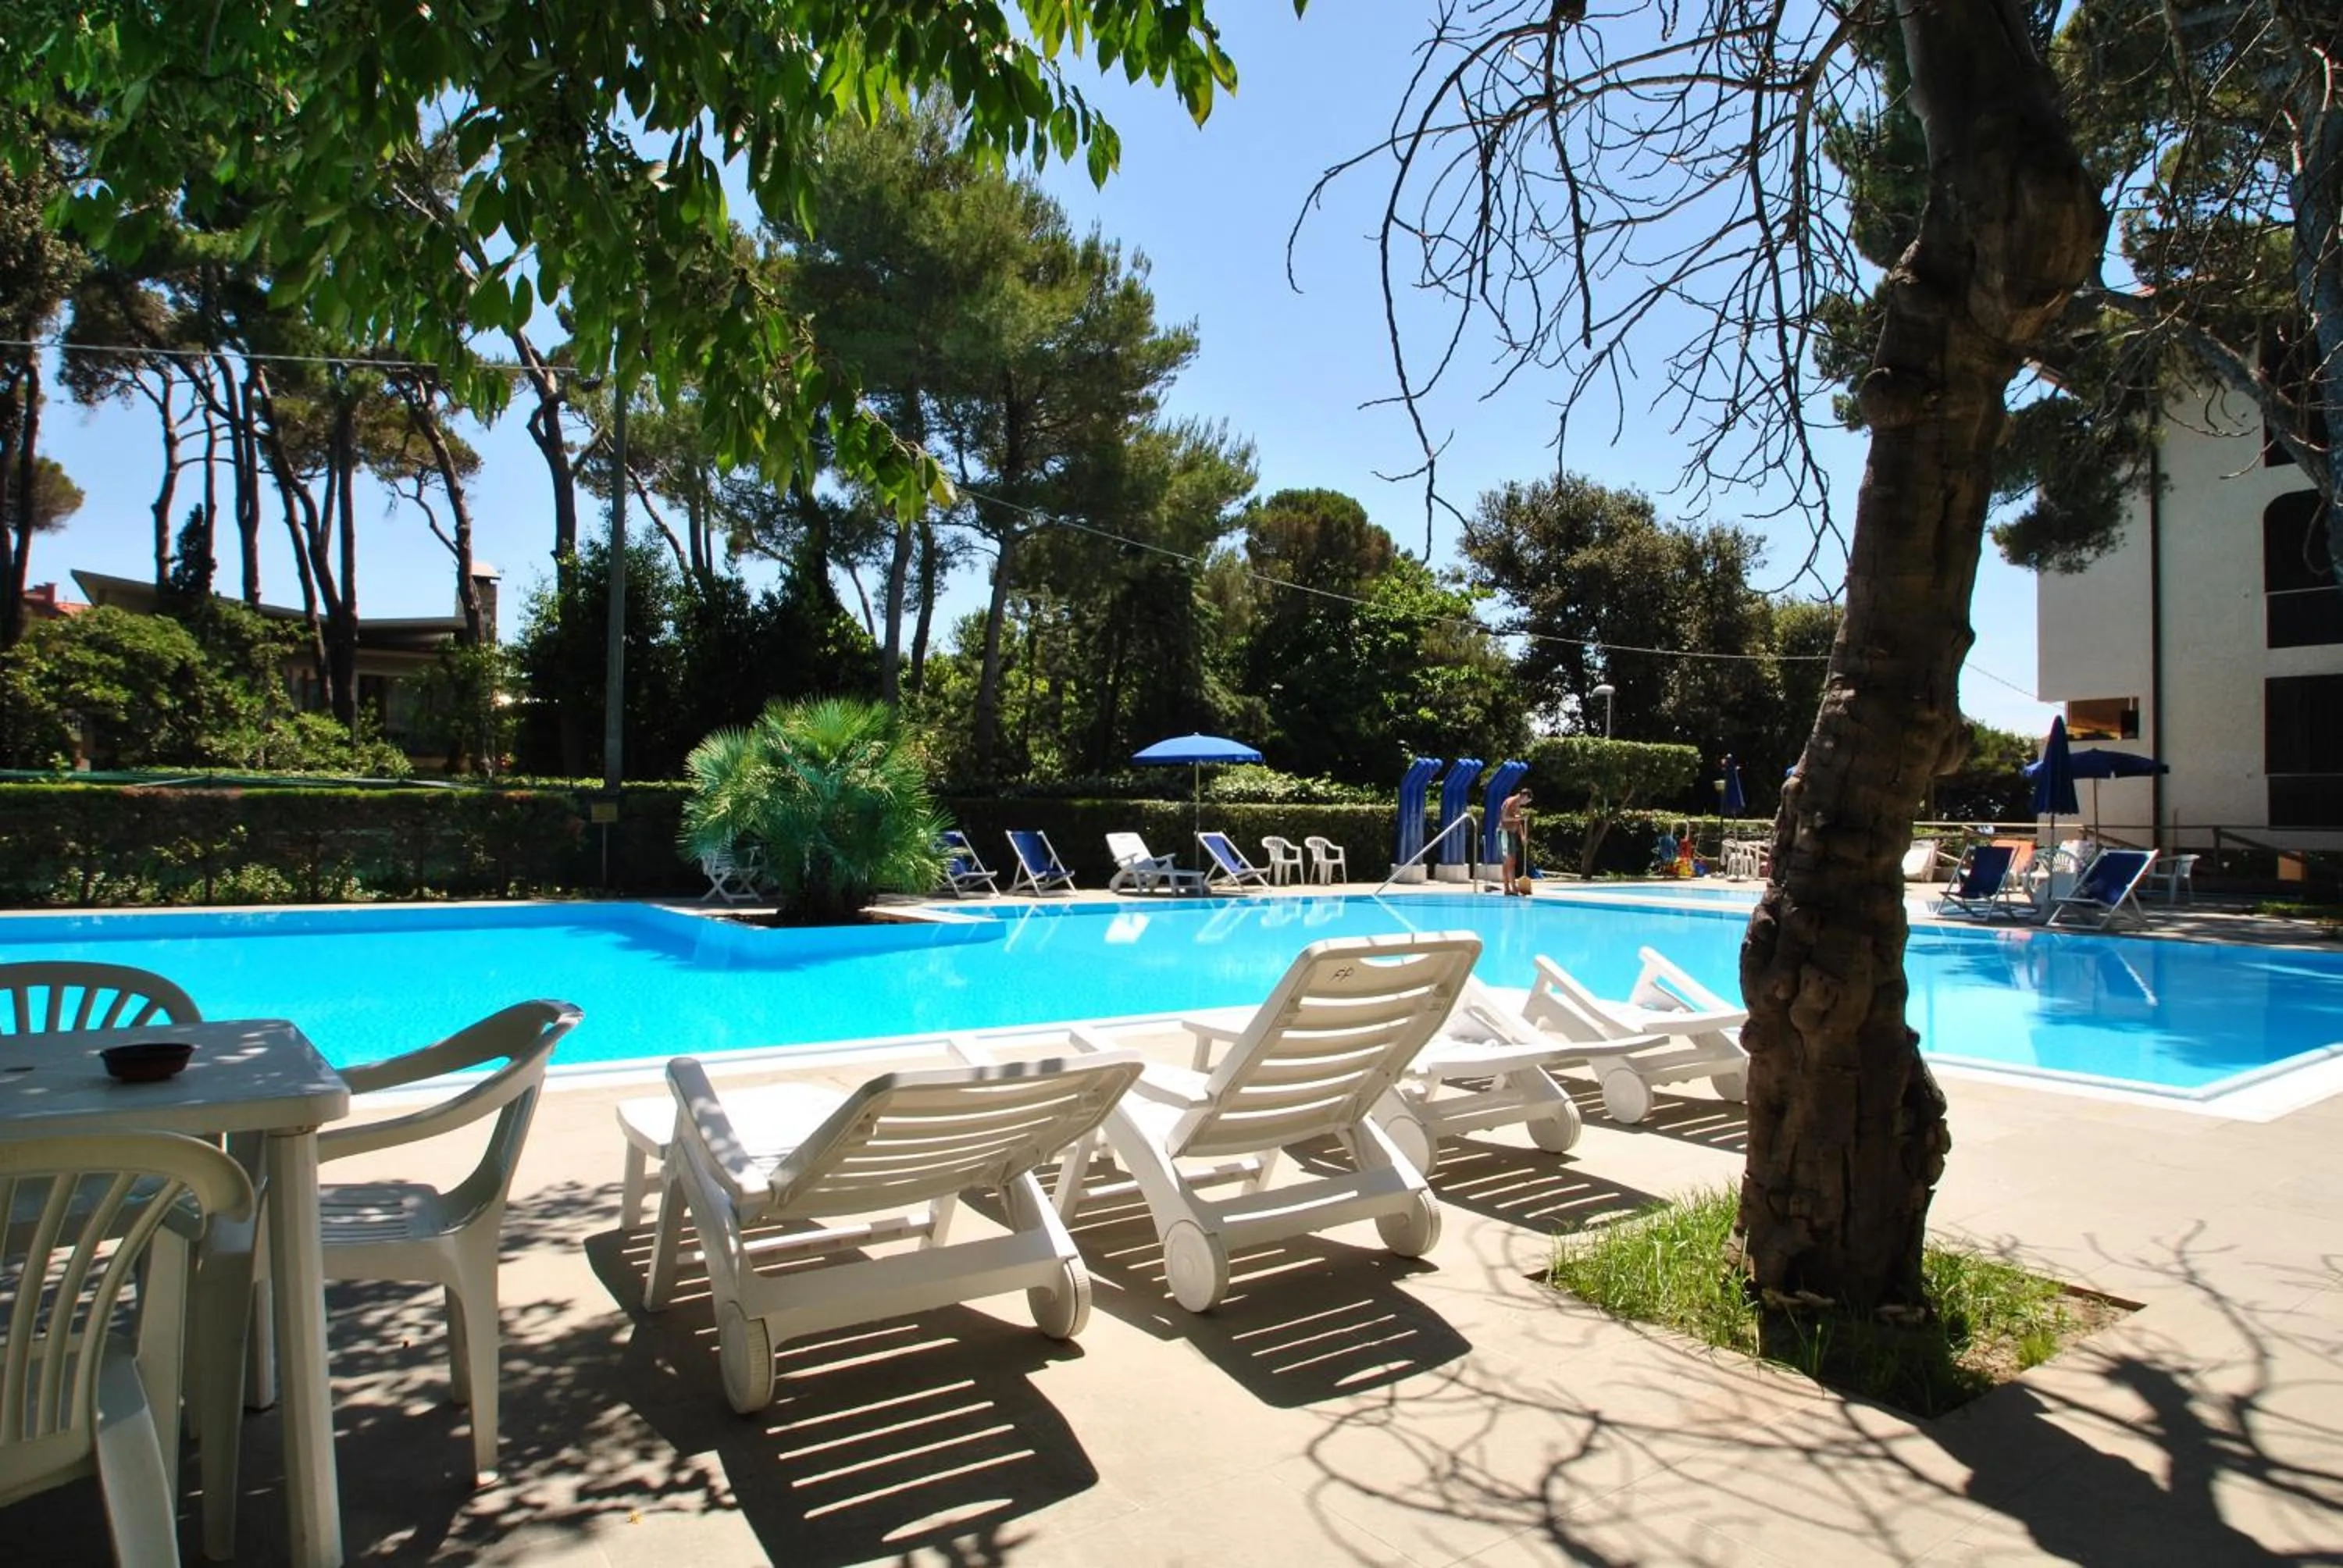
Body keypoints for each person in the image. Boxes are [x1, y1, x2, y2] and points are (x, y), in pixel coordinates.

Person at [1499, 786, 1532, 894]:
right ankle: (1510, 888)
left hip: (1511, 834)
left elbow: (1518, 823)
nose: (1526, 803)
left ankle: (1511, 888)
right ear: (1523, 796)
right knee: (1508, 862)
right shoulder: (1510, 802)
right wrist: (1520, 818)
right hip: (1504, 832)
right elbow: (1504, 818)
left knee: (1511, 862)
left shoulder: (1518, 805)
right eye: (1527, 800)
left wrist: (1522, 836)